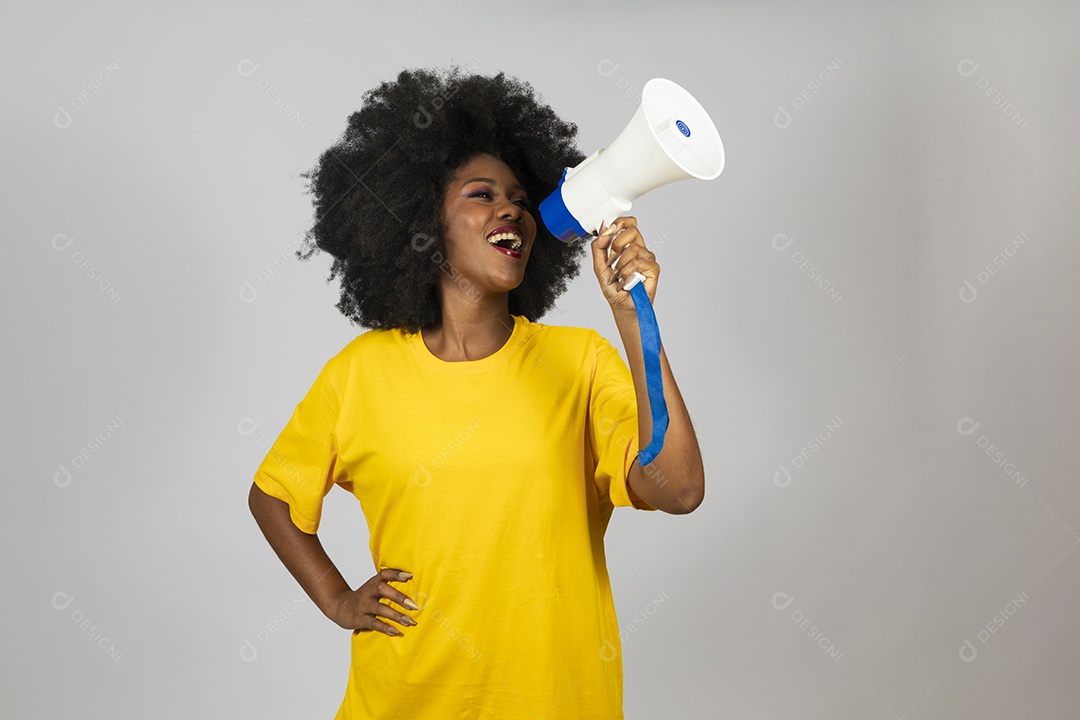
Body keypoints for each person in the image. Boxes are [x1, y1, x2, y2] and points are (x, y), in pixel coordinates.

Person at [247, 66, 705, 720]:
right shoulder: (359, 374)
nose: (510, 209)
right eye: (481, 194)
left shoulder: (578, 363)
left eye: (520, 198)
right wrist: (339, 599)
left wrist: (633, 319)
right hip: (403, 698)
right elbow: (272, 496)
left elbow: (679, 488)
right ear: (424, 221)